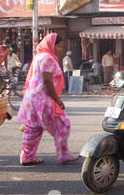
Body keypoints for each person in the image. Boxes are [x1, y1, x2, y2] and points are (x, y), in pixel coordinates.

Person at [17, 33, 79, 166]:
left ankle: (26, 157)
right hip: (43, 99)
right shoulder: (48, 58)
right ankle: (64, 155)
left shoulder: (39, 56)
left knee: (33, 128)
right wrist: (58, 100)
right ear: (51, 45)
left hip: (31, 98)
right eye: (59, 46)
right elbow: (47, 82)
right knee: (63, 125)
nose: (60, 49)